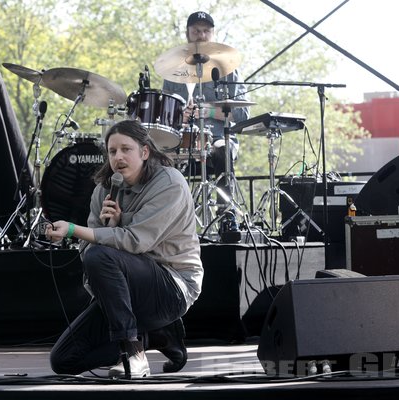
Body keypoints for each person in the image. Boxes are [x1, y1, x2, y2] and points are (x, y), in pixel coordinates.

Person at [46, 119, 203, 378]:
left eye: (125, 149)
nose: (118, 157)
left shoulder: (169, 183)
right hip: (124, 289)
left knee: (101, 255)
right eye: (112, 151)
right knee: (63, 360)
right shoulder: (104, 191)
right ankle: (156, 336)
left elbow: (136, 241)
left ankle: (133, 352)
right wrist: (110, 228)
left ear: (144, 152)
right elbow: (88, 252)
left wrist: (74, 230)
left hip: (173, 286)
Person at [163, 11, 250, 207]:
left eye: (206, 31)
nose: (201, 35)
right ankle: (171, 219)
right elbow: (165, 116)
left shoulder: (229, 70)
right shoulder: (171, 71)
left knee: (223, 151)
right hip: (182, 140)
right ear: (187, 33)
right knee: (157, 159)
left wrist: (209, 111)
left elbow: (243, 115)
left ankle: (226, 214)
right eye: (196, 31)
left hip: (218, 138)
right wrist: (180, 117)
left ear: (212, 34)